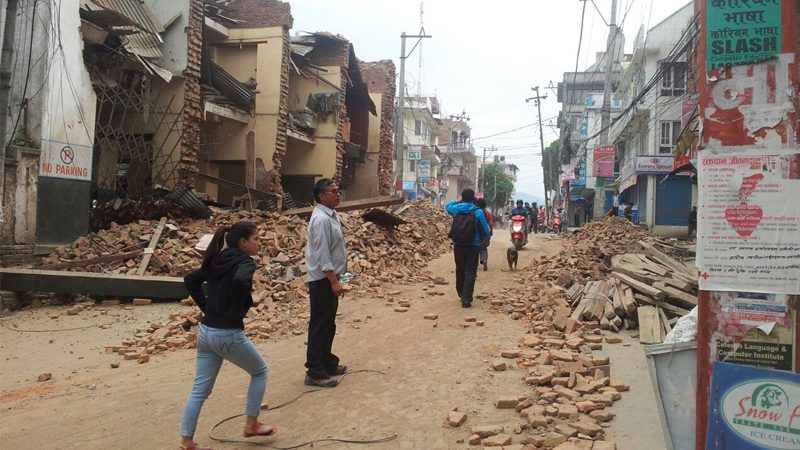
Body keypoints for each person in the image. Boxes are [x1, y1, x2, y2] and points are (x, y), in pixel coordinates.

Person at [180, 221, 276, 450]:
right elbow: (240, 281)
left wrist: (207, 307)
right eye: (256, 239)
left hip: (206, 332)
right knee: (260, 371)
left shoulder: (217, 259)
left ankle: (186, 441)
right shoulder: (245, 262)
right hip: (227, 334)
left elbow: (190, 280)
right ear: (243, 242)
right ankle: (251, 424)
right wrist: (236, 310)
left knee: (199, 391)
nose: (260, 243)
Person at [304, 178, 348, 388]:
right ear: (321, 196)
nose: (337, 194)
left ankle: (327, 362)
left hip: (331, 278)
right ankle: (314, 370)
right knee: (320, 324)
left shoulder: (331, 215)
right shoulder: (321, 219)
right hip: (322, 280)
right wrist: (333, 281)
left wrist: (341, 277)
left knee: (329, 322)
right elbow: (322, 255)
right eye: (333, 191)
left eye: (338, 191)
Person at [446, 189, 491, 308]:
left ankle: (461, 292)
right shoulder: (478, 212)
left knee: (460, 268)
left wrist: (458, 200)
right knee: (471, 271)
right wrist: (485, 239)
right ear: (473, 199)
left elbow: (448, 206)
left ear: (462, 197)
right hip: (473, 245)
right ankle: (466, 298)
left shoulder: (457, 209)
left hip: (458, 244)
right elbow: (486, 230)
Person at [475, 198, 493, 271]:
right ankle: (484, 259)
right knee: (483, 249)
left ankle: (475, 264)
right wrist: (491, 231)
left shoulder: (475, 211)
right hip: (484, 234)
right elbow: (491, 224)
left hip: (476, 234)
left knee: (475, 250)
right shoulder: (487, 213)